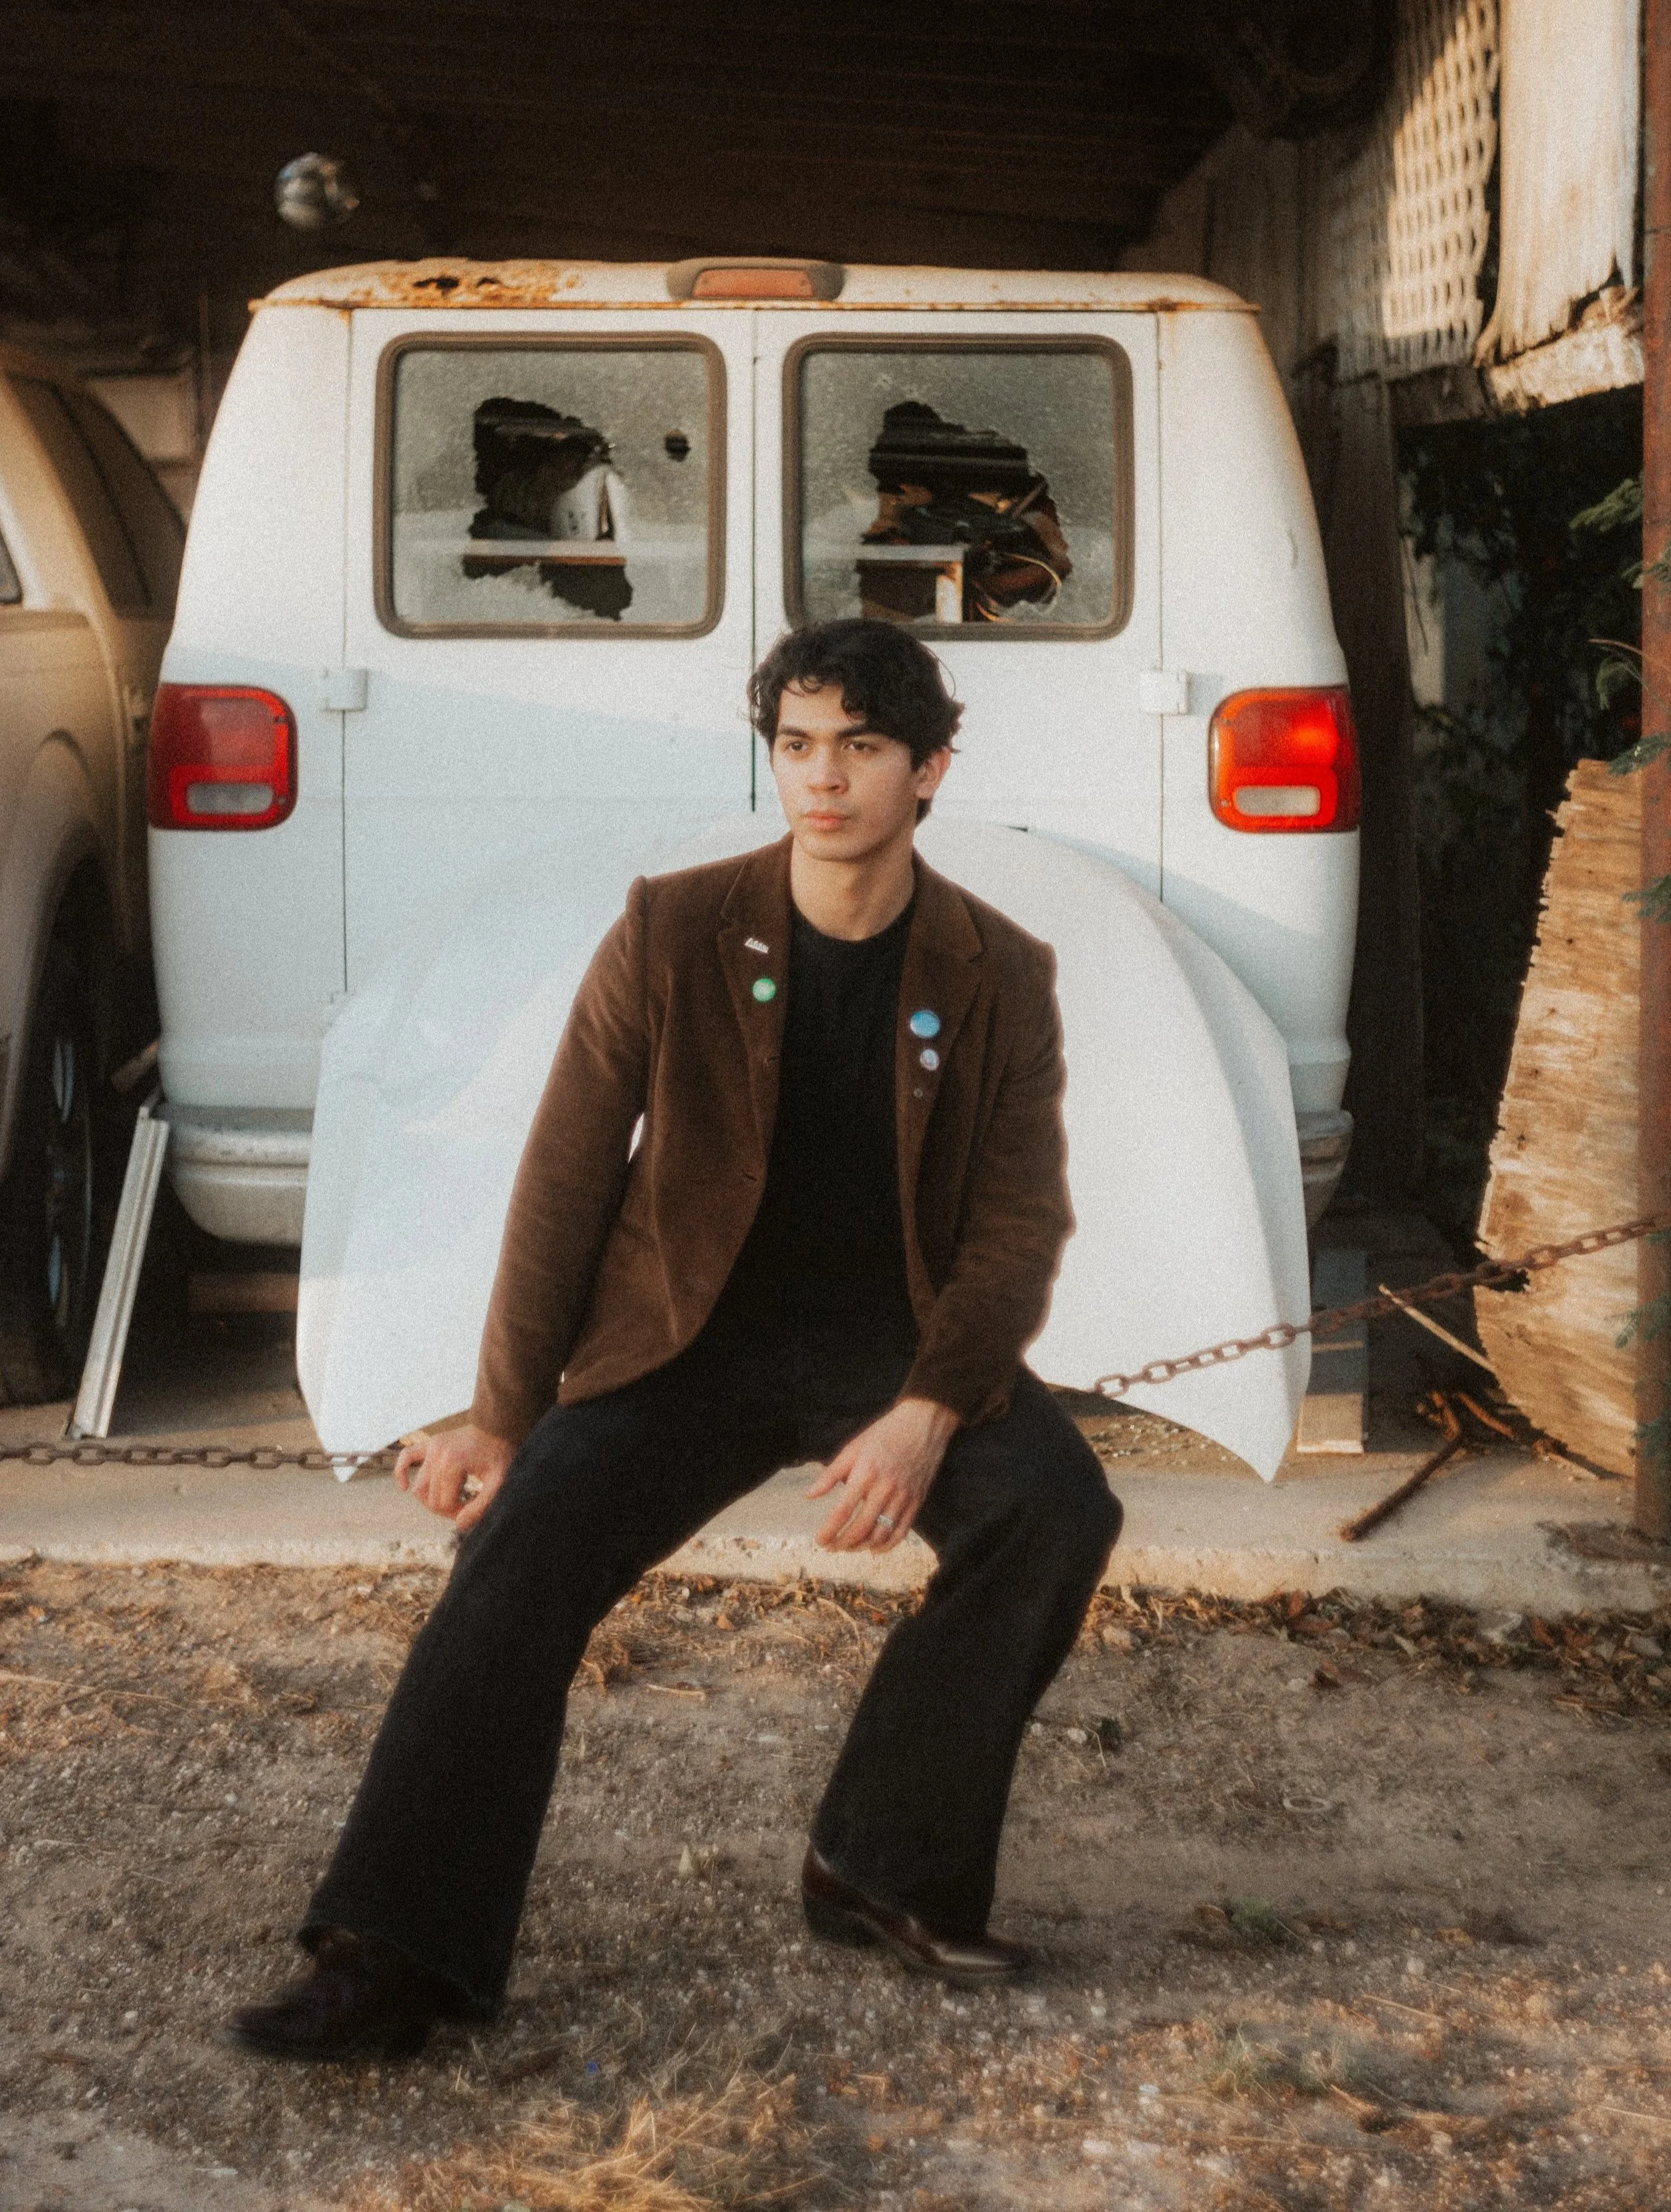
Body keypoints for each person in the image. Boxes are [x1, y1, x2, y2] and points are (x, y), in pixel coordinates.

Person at [233, 618, 1122, 2062]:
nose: (821, 777)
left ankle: (881, 1862)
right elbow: (566, 1176)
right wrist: (502, 1413)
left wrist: (928, 1410)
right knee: (519, 1551)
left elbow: (1018, 1226)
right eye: (796, 744)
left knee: (1056, 1506)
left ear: (930, 770)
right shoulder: (674, 928)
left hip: (888, 1345)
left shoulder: (996, 969)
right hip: (683, 1338)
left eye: (861, 747)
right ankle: (390, 1953)